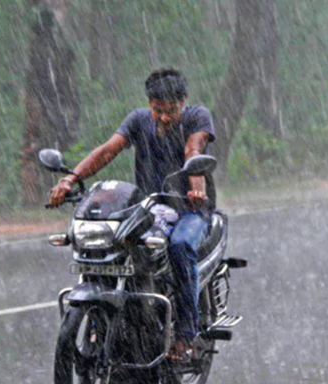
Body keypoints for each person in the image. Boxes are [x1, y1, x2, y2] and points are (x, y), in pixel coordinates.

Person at [48, 68, 216, 362]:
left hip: (190, 209)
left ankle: (186, 335)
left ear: (184, 102)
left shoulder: (196, 117)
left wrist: (196, 189)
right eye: (158, 110)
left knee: (180, 246)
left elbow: (193, 149)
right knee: (116, 244)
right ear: (149, 104)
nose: (165, 117)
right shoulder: (139, 120)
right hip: (151, 208)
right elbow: (107, 150)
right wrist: (70, 179)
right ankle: (113, 318)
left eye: (171, 110)